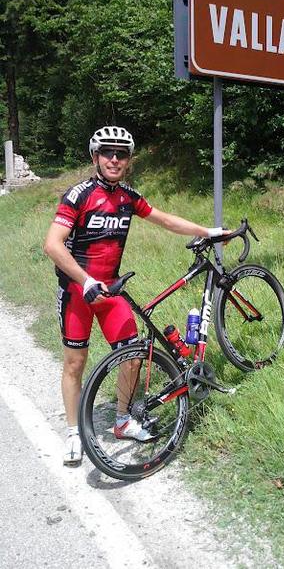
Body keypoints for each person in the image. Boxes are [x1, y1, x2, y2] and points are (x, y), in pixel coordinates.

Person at [44, 126, 227, 466]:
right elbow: (52, 244)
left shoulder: (128, 197)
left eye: (122, 154)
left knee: (132, 355)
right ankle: (73, 432)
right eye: (108, 152)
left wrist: (209, 232)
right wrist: (84, 281)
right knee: (75, 363)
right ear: (95, 156)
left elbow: (166, 221)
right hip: (77, 291)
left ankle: (123, 420)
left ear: (128, 161)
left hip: (111, 289)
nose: (114, 159)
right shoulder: (79, 195)